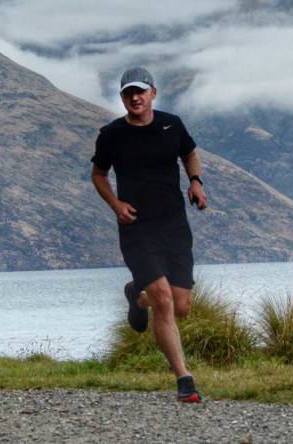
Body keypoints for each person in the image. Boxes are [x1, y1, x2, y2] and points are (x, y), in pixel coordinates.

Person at [90, 67, 208, 403]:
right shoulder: (112, 135)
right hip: (137, 226)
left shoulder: (172, 125)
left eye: (140, 92)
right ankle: (185, 380)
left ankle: (136, 297)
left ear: (153, 93)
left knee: (181, 306)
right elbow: (98, 174)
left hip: (174, 225)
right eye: (128, 94)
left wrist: (196, 183)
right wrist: (115, 205)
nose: (135, 98)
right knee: (164, 299)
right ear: (122, 98)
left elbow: (189, 154)